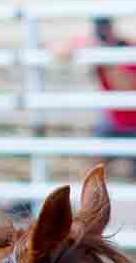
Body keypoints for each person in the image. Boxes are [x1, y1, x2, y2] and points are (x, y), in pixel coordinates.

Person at [53, 16, 136, 178]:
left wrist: (107, 59)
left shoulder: (127, 49)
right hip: (114, 124)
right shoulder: (96, 47)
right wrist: (80, 45)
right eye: (100, 29)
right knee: (91, 172)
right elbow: (59, 52)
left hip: (133, 123)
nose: (103, 33)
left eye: (105, 29)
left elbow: (126, 86)